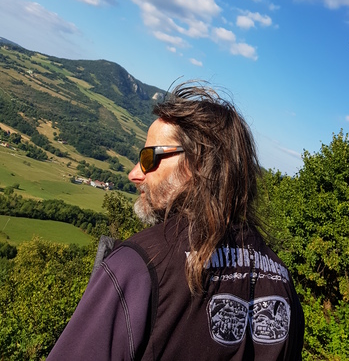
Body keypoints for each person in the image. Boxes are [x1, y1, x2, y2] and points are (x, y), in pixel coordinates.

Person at [47, 82, 304, 360]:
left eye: (149, 158)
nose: (135, 174)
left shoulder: (138, 265)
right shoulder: (281, 280)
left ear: (196, 163)